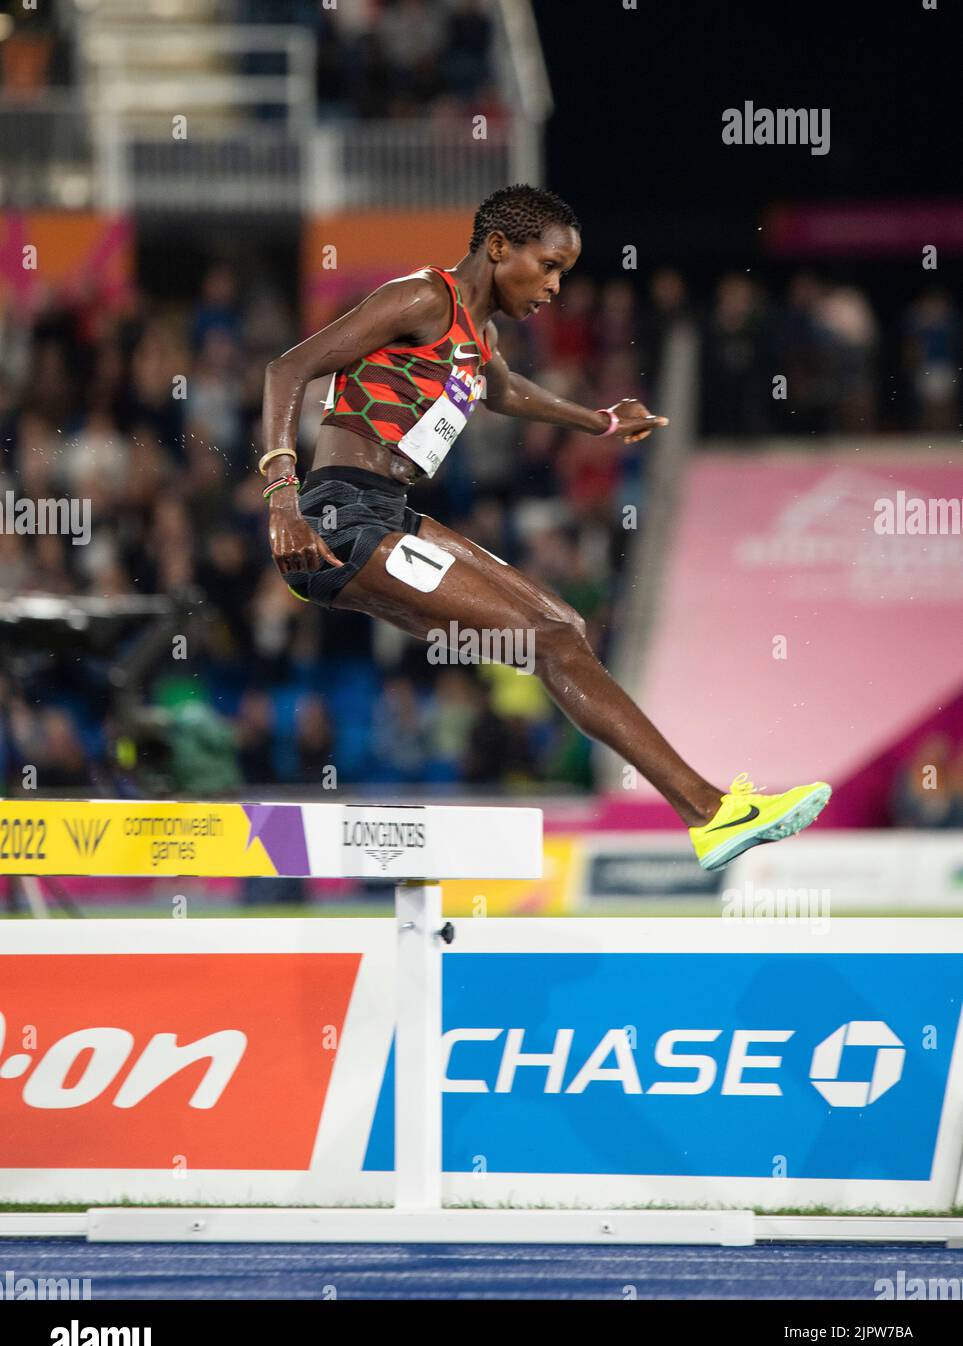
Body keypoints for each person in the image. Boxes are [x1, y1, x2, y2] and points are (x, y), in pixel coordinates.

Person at [260, 184, 830, 871]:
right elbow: (286, 367)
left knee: (563, 627)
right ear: (499, 247)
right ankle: (708, 811)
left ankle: (708, 812)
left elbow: (502, 392)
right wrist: (282, 502)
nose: (556, 287)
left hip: (386, 513)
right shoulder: (420, 300)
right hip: (332, 519)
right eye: (550, 265)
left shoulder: (479, 334)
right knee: (549, 638)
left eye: (564, 273)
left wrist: (598, 421)